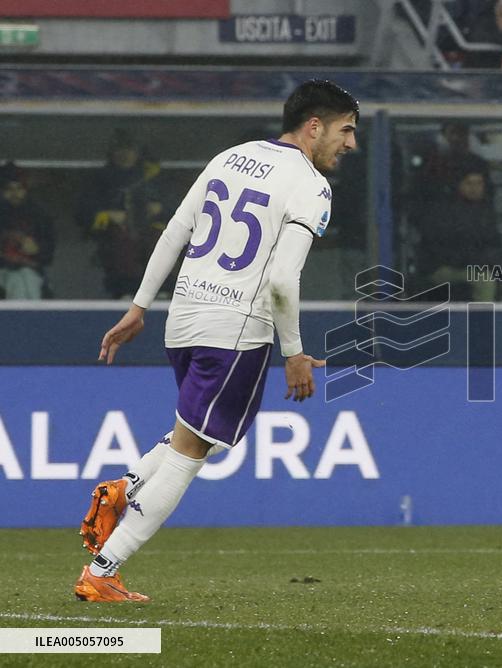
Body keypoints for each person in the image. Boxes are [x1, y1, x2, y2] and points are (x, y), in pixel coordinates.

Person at [73, 79, 359, 602]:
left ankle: (124, 488)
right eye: (346, 130)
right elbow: (282, 280)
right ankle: (102, 571)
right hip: (236, 328)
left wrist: (139, 307)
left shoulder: (231, 157)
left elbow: (174, 232)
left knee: (190, 433)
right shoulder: (312, 186)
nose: (351, 144)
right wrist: (294, 353)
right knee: (191, 454)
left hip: (183, 318)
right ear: (314, 126)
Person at [77, 130, 169, 299]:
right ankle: (127, 290)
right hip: (116, 233)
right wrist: (106, 215)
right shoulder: (100, 179)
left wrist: (160, 208)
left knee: (161, 241)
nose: (125, 154)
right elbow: (84, 209)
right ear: (112, 153)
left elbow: (180, 206)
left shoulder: (153, 177)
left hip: (151, 229)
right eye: (120, 149)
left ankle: (163, 289)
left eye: (130, 149)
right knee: (122, 242)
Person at [416, 166, 502, 300]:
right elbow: (441, 248)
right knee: (484, 279)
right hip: (443, 268)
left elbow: (494, 244)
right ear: (459, 185)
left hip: (479, 267)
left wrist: (495, 263)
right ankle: (483, 315)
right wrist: (476, 261)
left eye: (479, 183)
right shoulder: (442, 209)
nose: (474, 188)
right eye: (469, 183)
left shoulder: (485, 210)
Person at [0, 163, 55, 299]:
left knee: (26, 278)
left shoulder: (39, 214)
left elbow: (48, 253)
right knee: (15, 281)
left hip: (31, 271)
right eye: (9, 189)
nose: (15, 194)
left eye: (19, 188)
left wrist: (37, 249)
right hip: (3, 271)